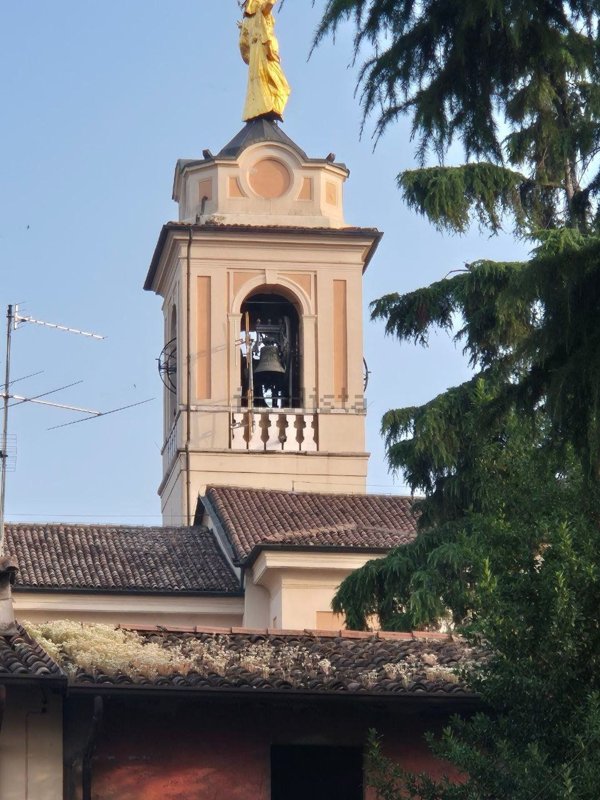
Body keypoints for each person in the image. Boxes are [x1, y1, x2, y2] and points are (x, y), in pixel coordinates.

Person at [239, 0, 291, 122]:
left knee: (263, 84)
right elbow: (269, 5)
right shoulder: (259, 13)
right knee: (282, 87)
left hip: (259, 55)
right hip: (264, 53)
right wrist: (268, 50)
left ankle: (265, 107)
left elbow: (242, 44)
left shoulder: (247, 22)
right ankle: (268, 107)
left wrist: (250, 55)